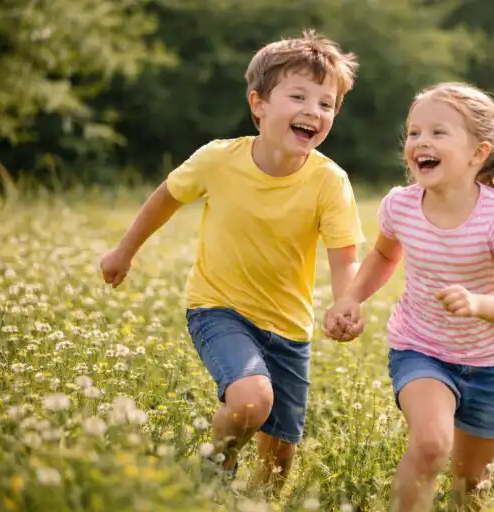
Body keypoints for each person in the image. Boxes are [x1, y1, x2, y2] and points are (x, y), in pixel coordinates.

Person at [99, 30, 364, 494]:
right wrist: (125, 250)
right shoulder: (218, 160)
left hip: (289, 328)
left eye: (326, 104)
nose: (313, 111)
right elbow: (166, 198)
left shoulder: (329, 181)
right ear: (258, 103)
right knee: (250, 401)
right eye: (298, 96)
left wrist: (346, 303)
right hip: (218, 308)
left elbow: (344, 256)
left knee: (277, 465)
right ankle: (213, 478)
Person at [324, 82, 494, 512]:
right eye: (414, 132)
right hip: (420, 348)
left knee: (470, 485)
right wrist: (351, 298)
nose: (421, 142)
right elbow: (384, 256)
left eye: (438, 133)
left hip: (491, 365)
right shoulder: (400, 205)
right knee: (431, 445)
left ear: (479, 152)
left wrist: (478, 303)